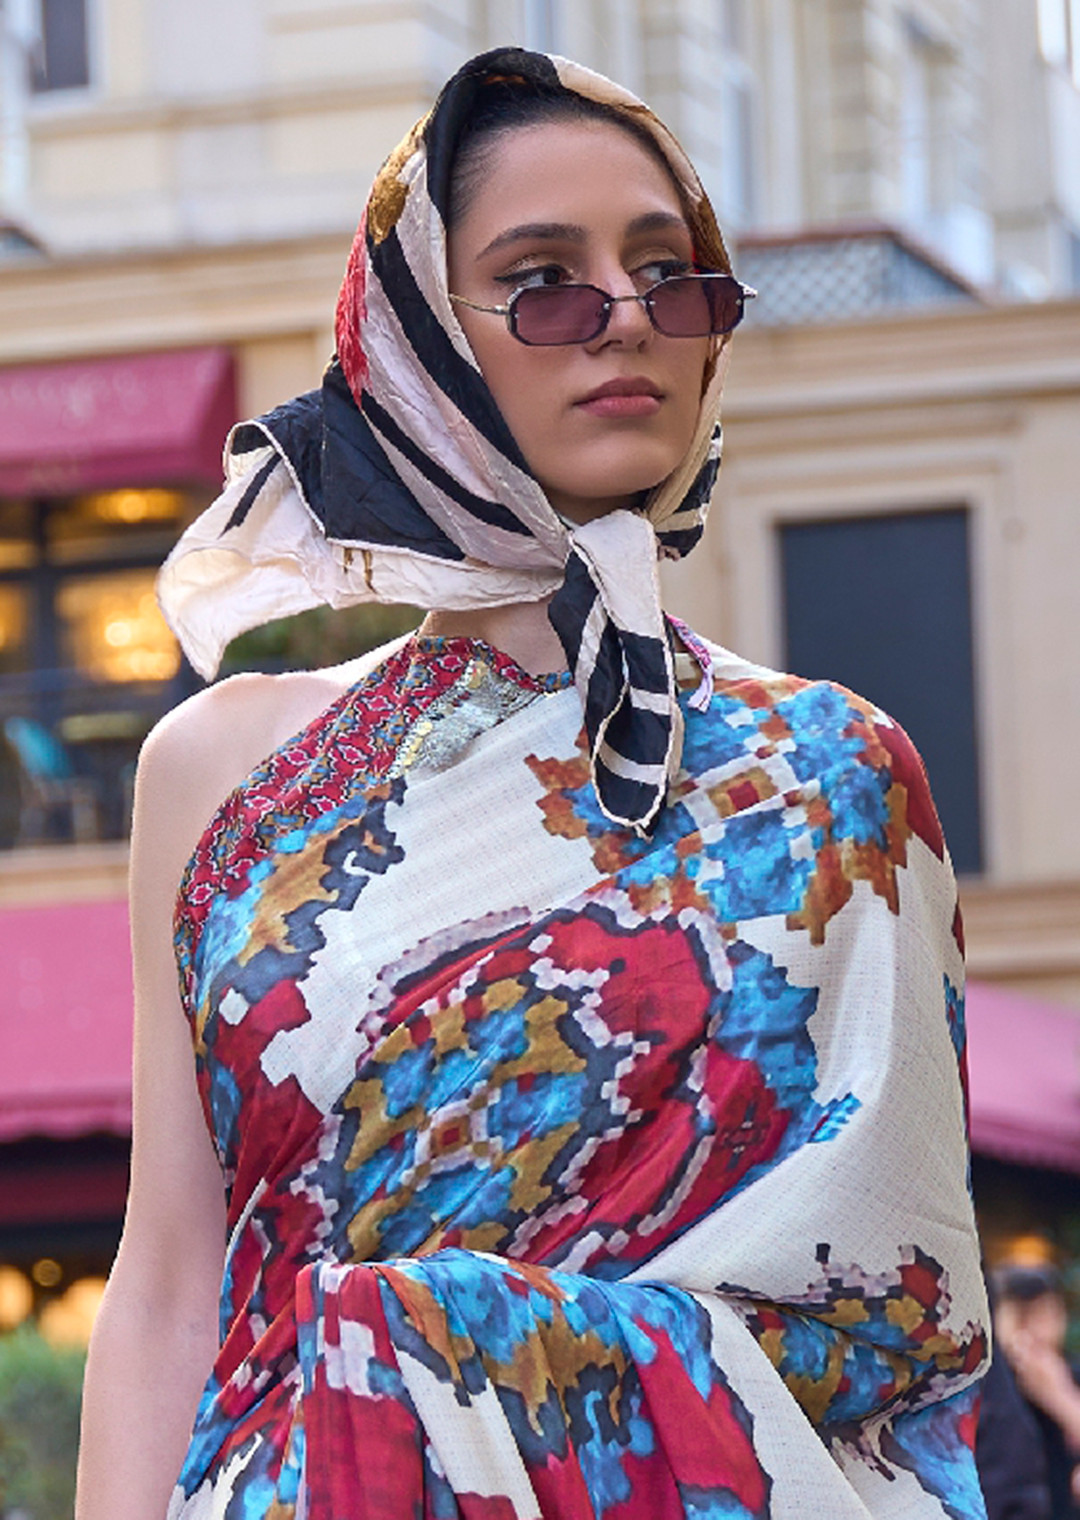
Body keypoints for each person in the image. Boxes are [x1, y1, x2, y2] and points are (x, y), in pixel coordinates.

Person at [74, 47, 989, 1520]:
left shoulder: (841, 771)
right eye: (545, 278)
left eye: (670, 275)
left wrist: (461, 1354)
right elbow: (175, 1277)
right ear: (419, 334)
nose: (624, 317)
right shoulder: (226, 768)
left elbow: (901, 1326)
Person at [993, 1264, 1080, 1518]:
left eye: (1047, 1316)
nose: (1037, 1333)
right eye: (1022, 1318)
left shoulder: (1072, 1375)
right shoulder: (987, 1389)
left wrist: (1059, 1397)